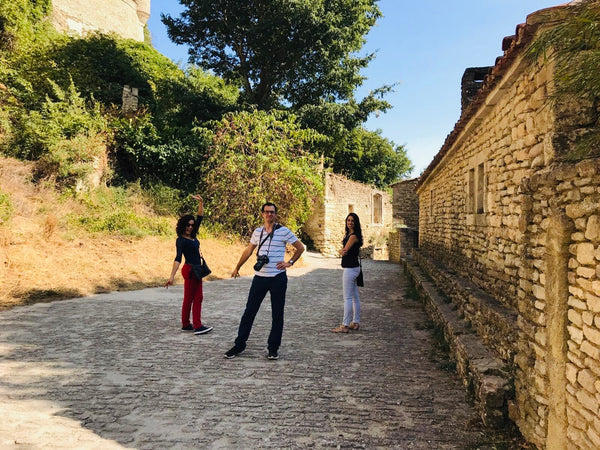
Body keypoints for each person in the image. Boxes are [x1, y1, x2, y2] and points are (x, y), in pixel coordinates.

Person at [225, 202, 304, 360]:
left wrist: (290, 262)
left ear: (276, 214)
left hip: (277, 278)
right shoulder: (257, 232)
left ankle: (273, 348)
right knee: (249, 312)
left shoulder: (284, 231)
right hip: (260, 277)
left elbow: (300, 247)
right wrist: (237, 267)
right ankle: (239, 344)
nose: (269, 214)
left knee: (277, 314)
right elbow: (249, 250)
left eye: (272, 212)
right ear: (262, 214)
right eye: (267, 212)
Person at [165, 195, 213, 335]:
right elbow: (178, 258)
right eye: (188, 225)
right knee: (197, 298)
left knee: (189, 298)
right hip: (191, 269)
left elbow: (200, 217)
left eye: (192, 225)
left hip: (196, 269)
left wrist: (201, 202)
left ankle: (186, 324)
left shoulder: (193, 236)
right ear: (183, 225)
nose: (191, 227)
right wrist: (172, 276)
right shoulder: (181, 240)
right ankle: (197, 326)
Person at [332, 213, 363, 333]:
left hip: (350, 269)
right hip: (353, 268)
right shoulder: (351, 235)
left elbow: (344, 251)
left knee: (348, 298)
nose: (350, 222)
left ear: (356, 223)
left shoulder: (353, 236)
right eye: (348, 220)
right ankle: (355, 322)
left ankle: (345, 325)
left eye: (352, 221)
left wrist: (341, 250)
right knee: (354, 297)